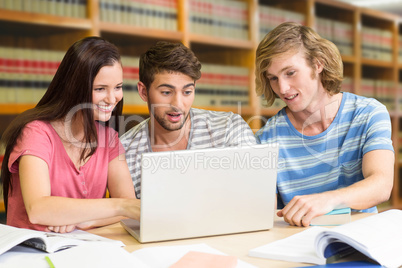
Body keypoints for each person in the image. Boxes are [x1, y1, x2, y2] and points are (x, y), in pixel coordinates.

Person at [254, 22, 394, 227]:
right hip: (296, 246)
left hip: (360, 242)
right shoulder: (266, 139)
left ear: (318, 64)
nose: (282, 88)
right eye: (273, 78)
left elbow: (381, 185)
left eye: (290, 73)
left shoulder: (368, 113)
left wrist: (327, 200)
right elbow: (264, 216)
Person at [0, 36, 140, 233]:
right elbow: (38, 209)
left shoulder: (109, 139)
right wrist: (121, 206)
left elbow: (131, 208)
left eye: (118, 87)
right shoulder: (36, 133)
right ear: (74, 87)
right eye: (100, 89)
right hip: (32, 253)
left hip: (82, 249)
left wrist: (86, 221)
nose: (112, 98)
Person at [121, 41, 256, 198]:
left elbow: (255, 196)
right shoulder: (124, 152)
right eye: (166, 92)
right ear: (144, 92)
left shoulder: (230, 129)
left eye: (187, 92)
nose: (178, 104)